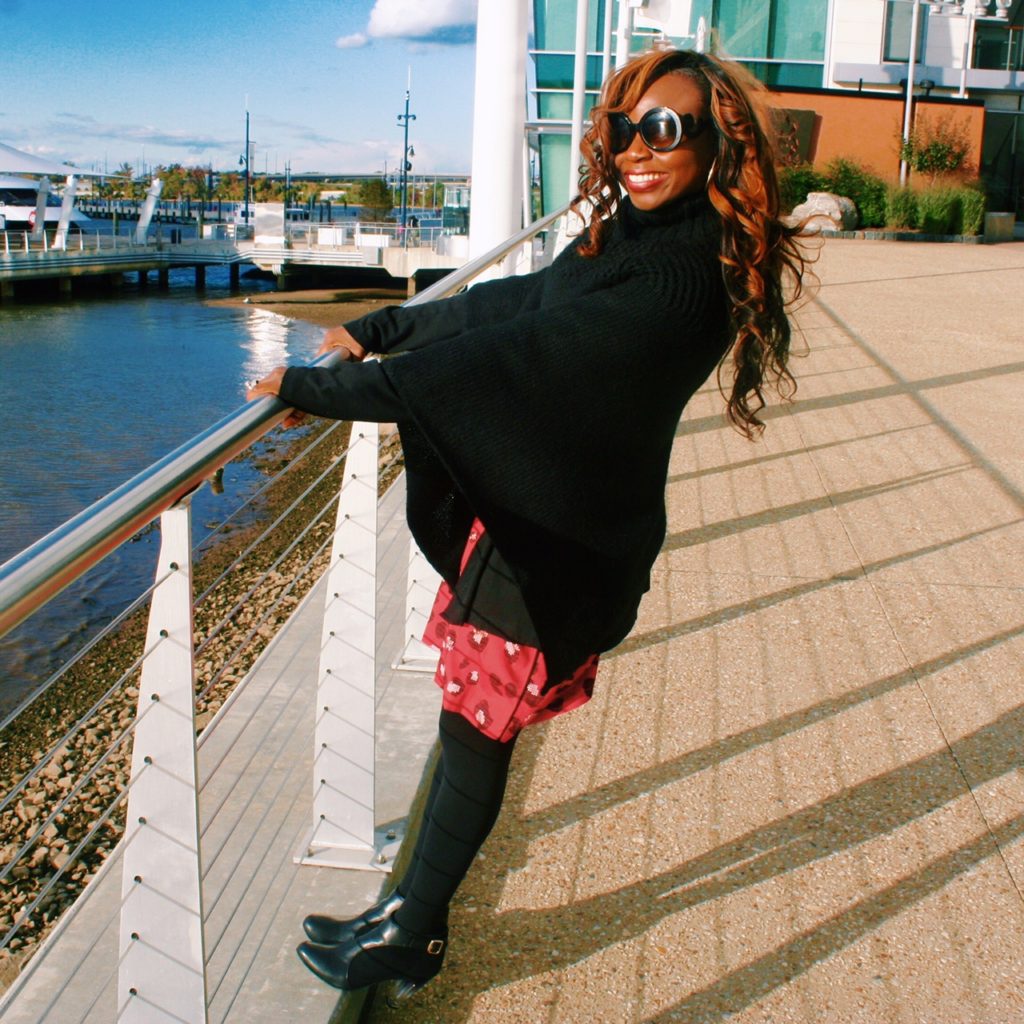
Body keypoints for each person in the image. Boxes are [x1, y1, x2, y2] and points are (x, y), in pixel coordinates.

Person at [246, 48, 808, 1002]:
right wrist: (382, 328)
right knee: (470, 720)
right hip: (542, 514)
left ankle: (414, 933)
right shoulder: (633, 236)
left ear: (715, 147)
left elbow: (515, 361)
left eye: (664, 130)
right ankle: (404, 920)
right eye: (624, 127)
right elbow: (513, 303)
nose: (636, 148)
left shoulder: (679, 281)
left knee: (475, 728)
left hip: (566, 540)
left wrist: (323, 387)